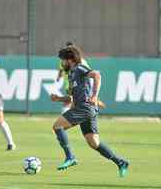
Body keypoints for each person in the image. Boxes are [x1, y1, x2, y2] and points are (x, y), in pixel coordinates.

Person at [51, 45, 129, 177]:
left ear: (69, 59)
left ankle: (70, 157)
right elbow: (72, 98)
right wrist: (59, 99)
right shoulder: (71, 75)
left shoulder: (79, 67)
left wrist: (94, 95)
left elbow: (96, 75)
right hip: (86, 109)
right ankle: (120, 162)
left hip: (85, 107)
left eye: (62, 60)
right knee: (94, 143)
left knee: (57, 126)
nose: (61, 63)